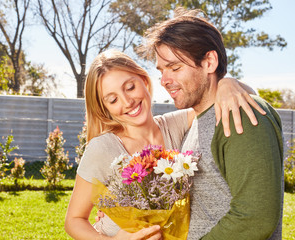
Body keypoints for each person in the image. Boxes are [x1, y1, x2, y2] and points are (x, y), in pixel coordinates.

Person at [64, 49, 265, 239]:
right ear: (104, 108)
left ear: (144, 80)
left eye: (130, 87)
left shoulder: (174, 125)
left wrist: (226, 84)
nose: (127, 102)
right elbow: (73, 221)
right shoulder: (103, 148)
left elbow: (235, 96)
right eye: (113, 99)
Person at [139, 8, 284, 240]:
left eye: (175, 68)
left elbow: (255, 217)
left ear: (209, 62)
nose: (165, 80)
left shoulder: (241, 114)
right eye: (162, 70)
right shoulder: (198, 120)